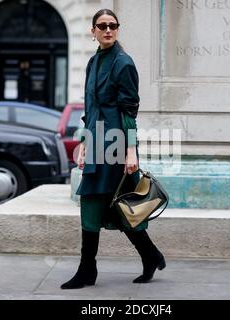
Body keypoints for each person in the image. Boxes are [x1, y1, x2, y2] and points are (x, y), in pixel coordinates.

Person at [61, 9, 166, 290]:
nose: (108, 30)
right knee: (97, 201)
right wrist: (84, 141)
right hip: (96, 141)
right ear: (92, 30)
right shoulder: (93, 62)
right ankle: (142, 257)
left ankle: (136, 258)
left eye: (113, 26)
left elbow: (130, 111)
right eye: (102, 26)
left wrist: (131, 151)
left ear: (117, 29)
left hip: (118, 143)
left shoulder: (123, 63)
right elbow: (90, 107)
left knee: (121, 204)